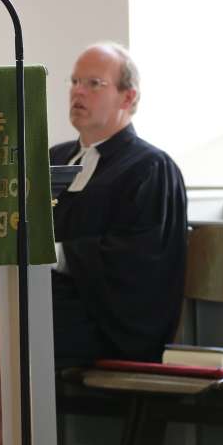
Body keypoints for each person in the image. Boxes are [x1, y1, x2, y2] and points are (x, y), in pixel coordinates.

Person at [49, 42, 187, 363]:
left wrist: (55, 254)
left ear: (129, 97)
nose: (78, 93)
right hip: (51, 305)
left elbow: (139, 264)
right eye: (74, 82)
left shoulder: (150, 168)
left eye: (93, 84)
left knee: (12, 333)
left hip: (107, 325)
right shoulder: (55, 158)